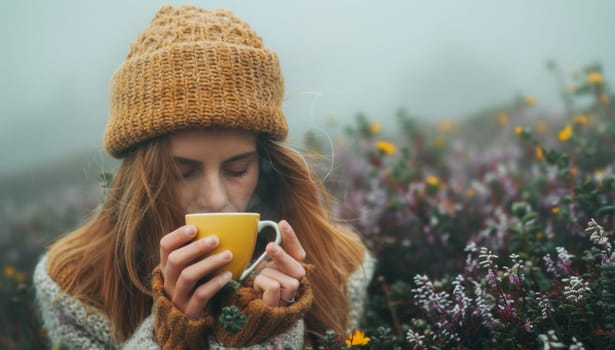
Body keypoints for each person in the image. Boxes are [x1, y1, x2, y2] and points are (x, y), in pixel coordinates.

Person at [34, 4, 375, 349]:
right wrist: (170, 337)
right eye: (183, 172)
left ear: (265, 162)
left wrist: (269, 331)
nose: (214, 198)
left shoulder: (340, 266)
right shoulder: (75, 284)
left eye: (238, 169)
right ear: (142, 178)